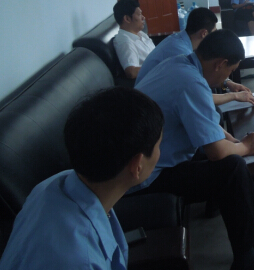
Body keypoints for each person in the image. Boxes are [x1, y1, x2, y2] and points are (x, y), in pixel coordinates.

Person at [132, 29, 254, 270]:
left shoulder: (179, 63)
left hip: (148, 157)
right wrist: (246, 147)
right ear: (220, 64)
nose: (227, 78)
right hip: (145, 178)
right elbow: (216, 152)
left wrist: (231, 140)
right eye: (230, 71)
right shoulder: (191, 83)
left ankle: (236, 222)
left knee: (230, 155)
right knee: (232, 168)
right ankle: (248, 260)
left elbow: (198, 115)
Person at [0, 87, 164, 270]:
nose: (160, 152)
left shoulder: (53, 185)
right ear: (137, 166)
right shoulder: (79, 261)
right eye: (159, 145)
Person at [136, 6, 254, 105]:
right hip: (146, 105)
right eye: (214, 33)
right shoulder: (180, 52)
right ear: (204, 33)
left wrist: (227, 83)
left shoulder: (180, 39)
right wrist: (234, 96)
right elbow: (199, 94)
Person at [113, 0, 155, 79]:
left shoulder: (140, 33)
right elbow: (131, 72)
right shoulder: (125, 41)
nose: (143, 17)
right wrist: (159, 66)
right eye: (139, 14)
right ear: (127, 19)